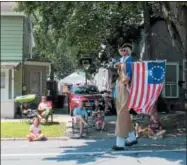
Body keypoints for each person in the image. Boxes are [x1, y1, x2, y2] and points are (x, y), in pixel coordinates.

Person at [112, 43, 137, 151]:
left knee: (122, 112)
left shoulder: (130, 60)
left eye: (125, 49)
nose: (123, 50)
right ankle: (131, 138)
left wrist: (126, 81)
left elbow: (129, 74)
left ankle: (120, 143)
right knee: (123, 113)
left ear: (128, 50)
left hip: (126, 86)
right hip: (119, 86)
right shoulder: (120, 60)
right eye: (121, 49)